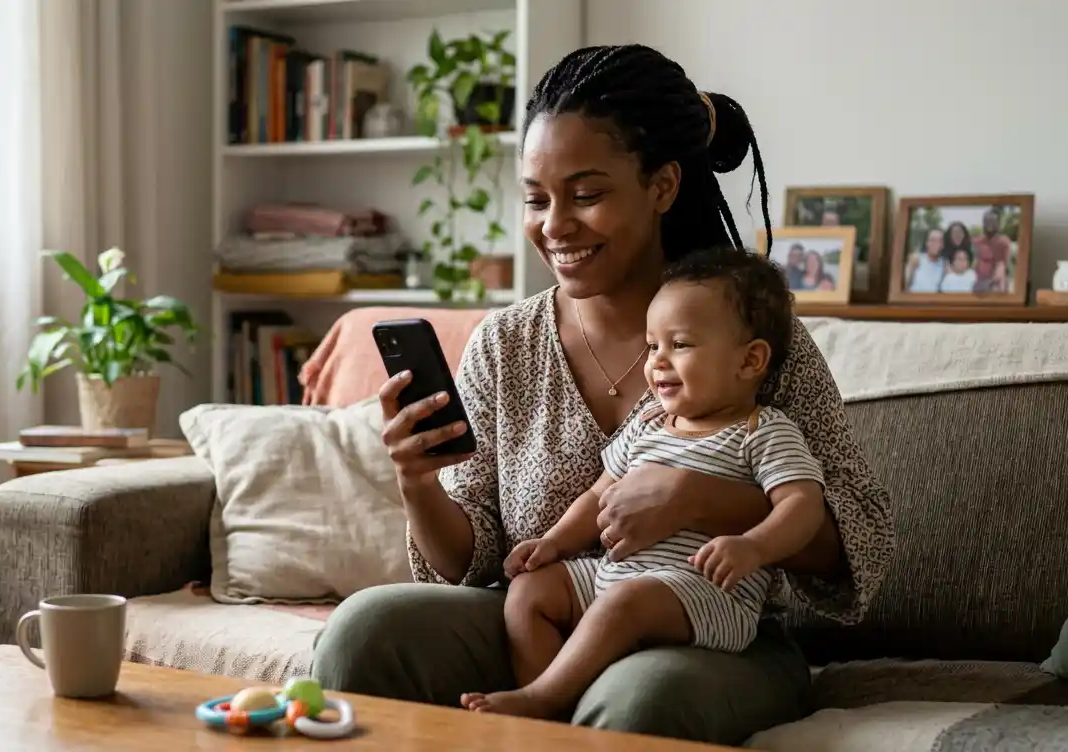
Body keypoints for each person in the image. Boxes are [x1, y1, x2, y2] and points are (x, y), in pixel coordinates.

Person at [310, 43, 894, 746]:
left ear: (663, 186)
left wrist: (700, 499)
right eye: (535, 198)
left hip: (710, 639)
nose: (554, 225)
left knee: (639, 697)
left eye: (586, 195)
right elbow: (477, 564)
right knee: (366, 628)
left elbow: (857, 545)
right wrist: (418, 483)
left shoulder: (755, 342)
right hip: (543, 627)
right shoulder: (506, 344)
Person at [460, 248, 827, 719]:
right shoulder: (650, 423)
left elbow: (802, 504)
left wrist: (754, 547)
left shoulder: (764, 431)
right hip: (615, 580)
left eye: (681, 345)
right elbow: (598, 494)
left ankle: (544, 698)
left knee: (629, 601)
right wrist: (552, 542)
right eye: (653, 346)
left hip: (708, 595)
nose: (658, 362)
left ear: (750, 360)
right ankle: (552, 715)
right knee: (529, 591)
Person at [973, 209, 1011, 292]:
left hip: (996, 280)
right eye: (987, 221)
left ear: (998, 224)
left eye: (993, 221)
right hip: (978, 280)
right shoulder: (976, 242)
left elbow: (1002, 264)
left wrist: (995, 281)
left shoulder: (1003, 242)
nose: (990, 224)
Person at [904, 228, 947, 293]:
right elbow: (904, 284)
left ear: (943, 245)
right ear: (927, 243)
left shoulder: (944, 264)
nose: (936, 244)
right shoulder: (916, 259)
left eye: (939, 241)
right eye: (932, 240)